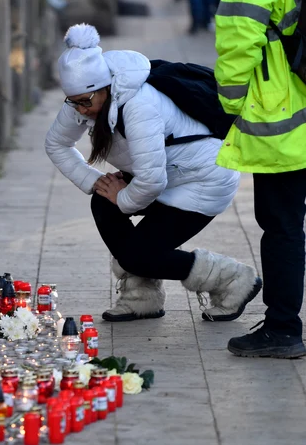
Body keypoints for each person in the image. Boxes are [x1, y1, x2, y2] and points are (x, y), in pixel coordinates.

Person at [45, 24, 262, 323]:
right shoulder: (85, 98)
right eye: (74, 102)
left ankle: (232, 279)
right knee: (102, 202)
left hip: (202, 180)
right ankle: (141, 297)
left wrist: (122, 198)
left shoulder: (139, 106)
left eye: (85, 102)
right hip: (166, 174)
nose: (80, 110)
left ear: (105, 88)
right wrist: (95, 181)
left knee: (137, 254)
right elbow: (56, 144)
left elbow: (152, 181)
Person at [214, 0, 306, 358]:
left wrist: (232, 106)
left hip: (283, 116)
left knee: (281, 225)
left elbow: (238, 45)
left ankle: (282, 329)